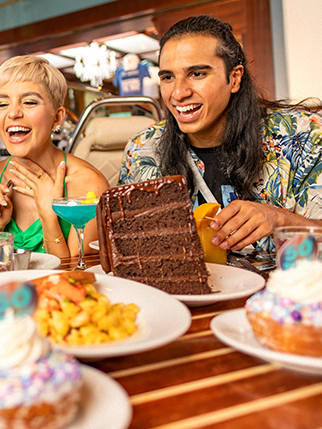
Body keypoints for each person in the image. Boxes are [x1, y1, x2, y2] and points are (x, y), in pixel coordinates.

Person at [119, 14, 322, 252]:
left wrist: (282, 220)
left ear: (234, 78)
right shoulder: (142, 149)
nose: (178, 93)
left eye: (197, 74)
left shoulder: (303, 136)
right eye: (168, 77)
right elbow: (125, 242)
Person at [0, 56, 108, 258]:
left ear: (57, 117)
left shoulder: (89, 186)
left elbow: (77, 272)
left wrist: (48, 215)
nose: (13, 113)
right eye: (2, 104)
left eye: (29, 102)